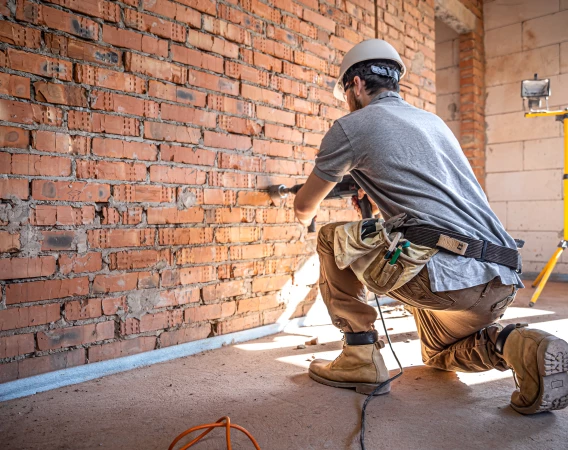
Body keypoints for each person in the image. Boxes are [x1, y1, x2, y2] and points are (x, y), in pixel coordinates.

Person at [293, 39, 568, 414]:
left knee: (330, 238)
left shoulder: (351, 127)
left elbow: (304, 206)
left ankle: (358, 353)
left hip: (443, 277)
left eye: (346, 91)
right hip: (499, 279)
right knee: (438, 354)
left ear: (355, 85)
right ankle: (516, 344)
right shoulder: (432, 122)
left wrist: (313, 213)